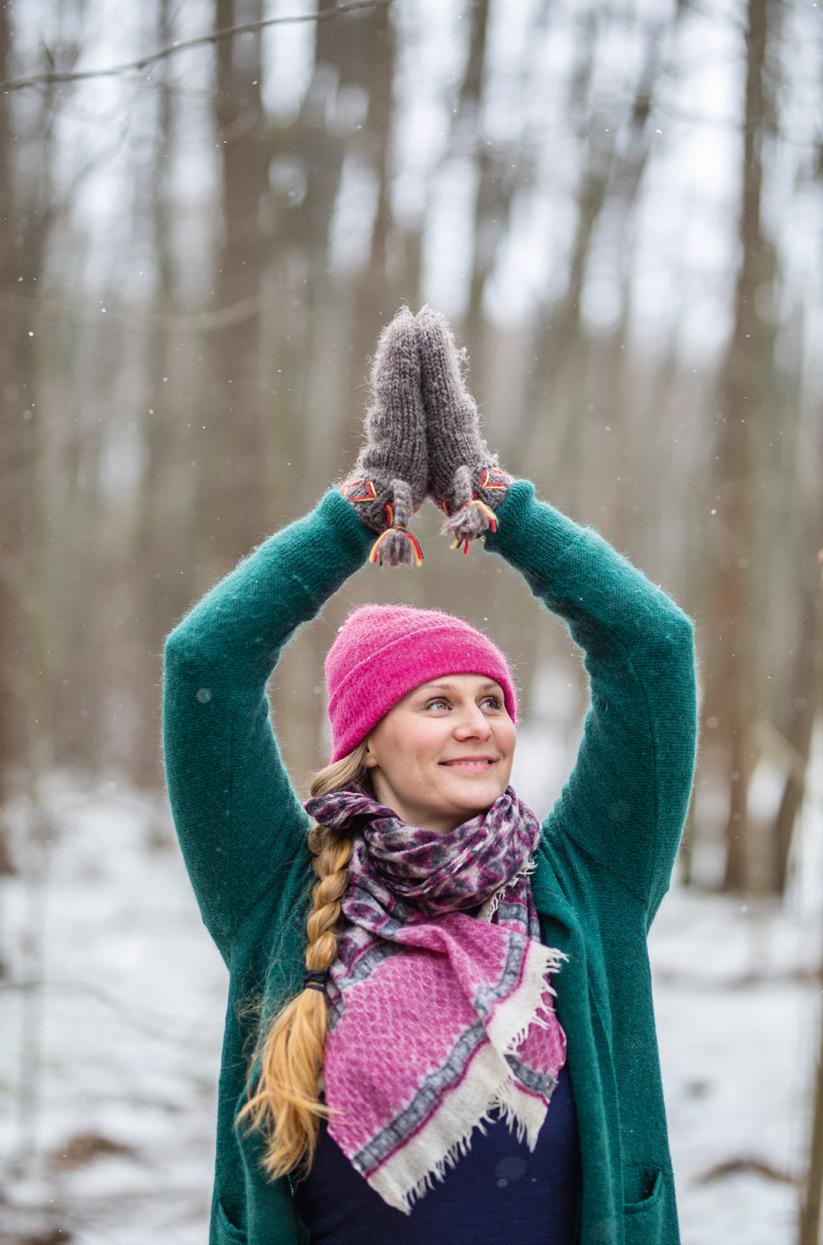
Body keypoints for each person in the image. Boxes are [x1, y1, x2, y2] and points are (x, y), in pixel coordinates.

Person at [162, 305, 699, 1245]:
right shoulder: (276, 895)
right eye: (437, 703)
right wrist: (360, 512)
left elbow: (653, 649)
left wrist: (497, 502)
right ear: (368, 741)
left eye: (491, 701)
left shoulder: (586, 885)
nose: (477, 725)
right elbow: (205, 663)